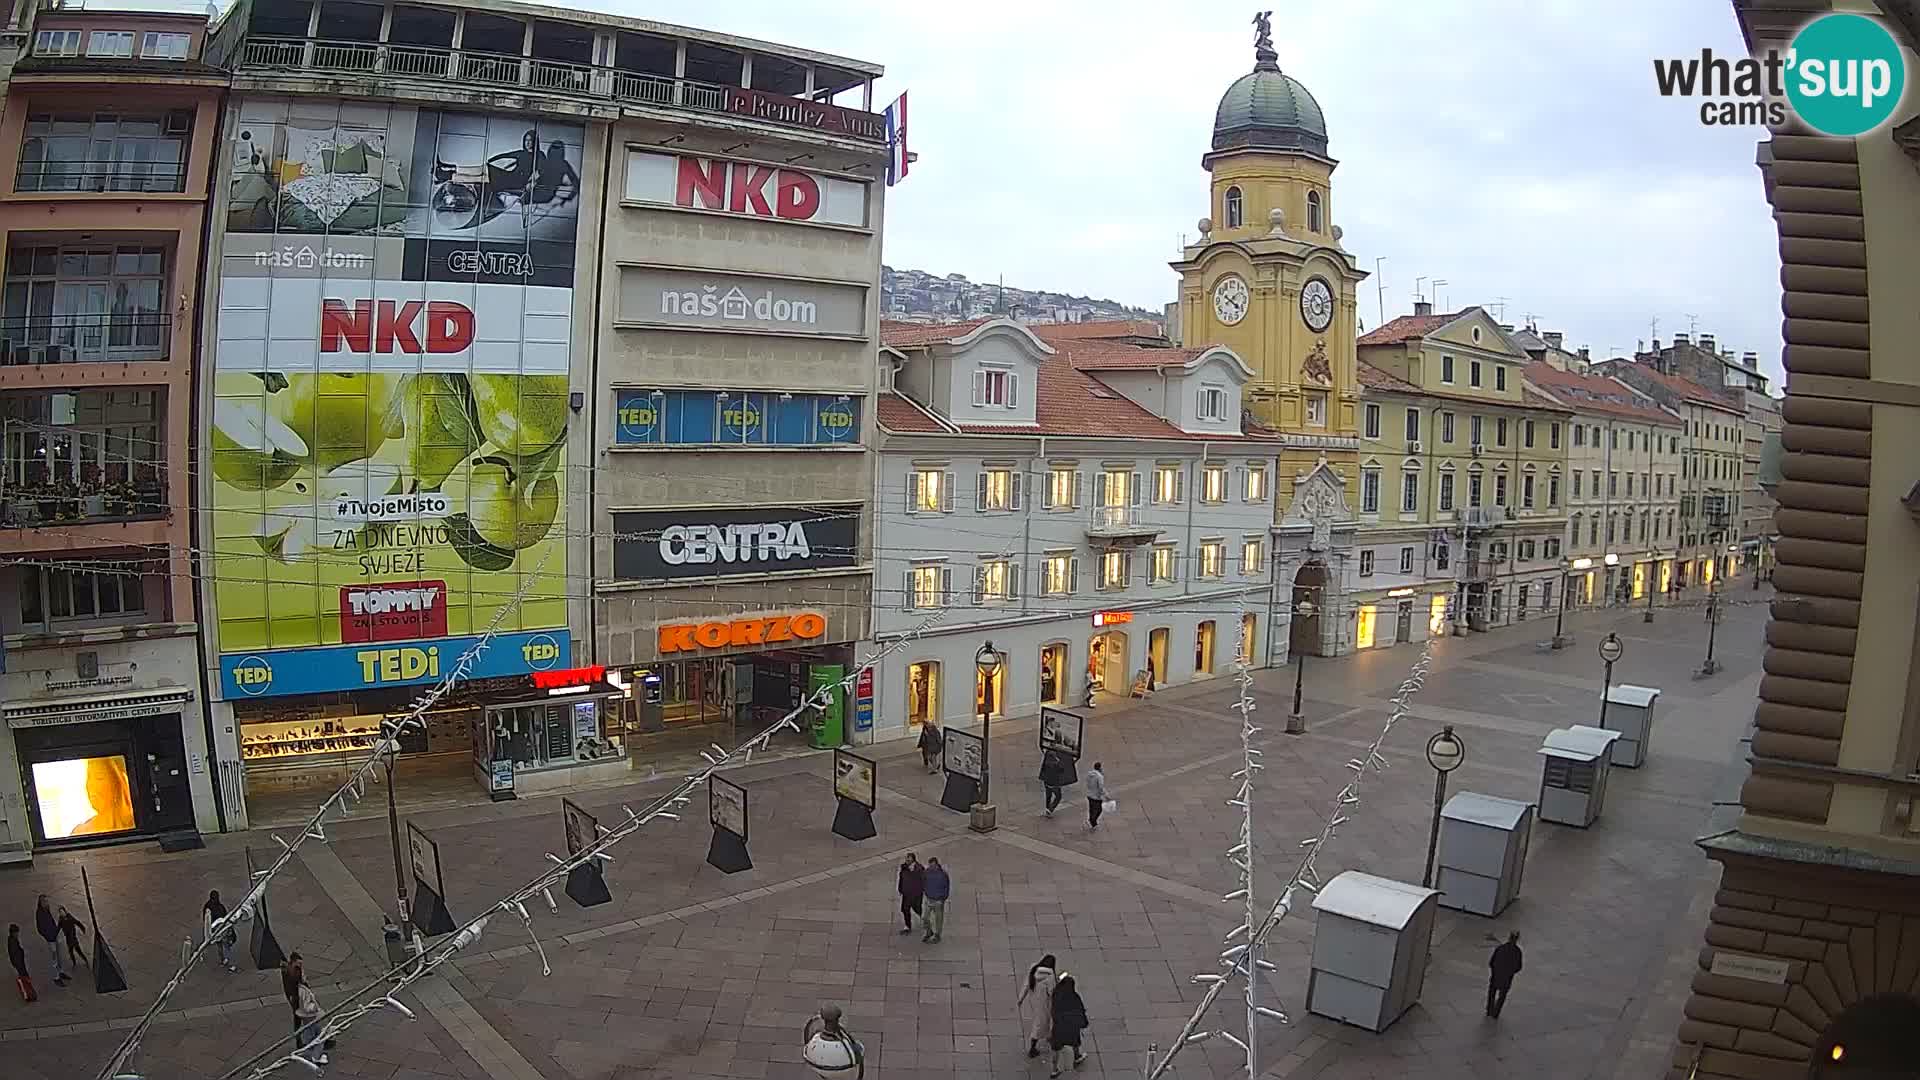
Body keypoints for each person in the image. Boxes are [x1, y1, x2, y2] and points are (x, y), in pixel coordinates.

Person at [284, 952, 327, 1066]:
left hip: (297, 1002)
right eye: (299, 963)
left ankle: (305, 1042)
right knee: (309, 1025)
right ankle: (311, 1048)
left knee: (304, 1024)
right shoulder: (295, 975)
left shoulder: (288, 970)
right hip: (301, 1005)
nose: (301, 965)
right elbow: (300, 984)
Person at [1048, 973, 1089, 1076]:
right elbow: (1080, 1011)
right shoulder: (1074, 997)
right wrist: (1083, 1023)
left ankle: (1054, 1069)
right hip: (1071, 1027)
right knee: (1075, 1042)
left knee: (1056, 1049)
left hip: (1059, 1027)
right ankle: (1077, 1057)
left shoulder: (1056, 994)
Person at [1018, 954, 1057, 1059]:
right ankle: (1032, 1048)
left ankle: (1048, 1036)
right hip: (1044, 1003)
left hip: (1034, 1000)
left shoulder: (1034, 968)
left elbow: (1026, 984)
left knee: (1041, 1021)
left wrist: (1020, 999)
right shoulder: (1050, 977)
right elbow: (1051, 992)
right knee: (1040, 1024)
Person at [1487, 931, 1524, 1019]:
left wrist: (1495, 970)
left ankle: (1489, 1010)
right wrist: (1510, 972)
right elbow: (1518, 967)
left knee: (1492, 993)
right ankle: (1496, 1013)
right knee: (1502, 996)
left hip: (1496, 976)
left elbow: (1491, 963)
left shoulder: (1501, 948)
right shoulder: (1518, 952)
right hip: (1507, 978)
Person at [204, 890, 239, 973]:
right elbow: (225, 918)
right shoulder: (220, 907)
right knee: (227, 947)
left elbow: (206, 919)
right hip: (222, 930)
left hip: (214, 930)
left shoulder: (207, 906)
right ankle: (230, 964)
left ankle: (223, 960)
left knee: (220, 946)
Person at [34, 895, 66, 986]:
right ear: (40, 903)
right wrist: (46, 936)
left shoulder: (47, 910)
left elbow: (51, 921)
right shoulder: (39, 913)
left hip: (54, 934)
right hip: (50, 938)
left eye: (46, 901)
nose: (46, 903)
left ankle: (61, 972)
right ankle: (56, 977)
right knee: (54, 958)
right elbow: (40, 928)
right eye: (44, 901)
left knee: (59, 955)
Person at [921, 857, 950, 944]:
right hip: (929, 898)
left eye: (932, 866)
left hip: (938, 900)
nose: (931, 868)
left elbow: (946, 887)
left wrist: (943, 898)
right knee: (924, 917)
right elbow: (923, 882)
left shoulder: (943, 874)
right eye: (930, 866)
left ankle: (937, 935)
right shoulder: (926, 872)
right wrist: (926, 891)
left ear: (936, 865)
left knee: (938, 919)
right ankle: (929, 931)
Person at [896, 853, 925, 935]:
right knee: (905, 910)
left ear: (913, 860)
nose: (907, 861)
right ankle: (907, 926)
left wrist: (920, 891)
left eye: (909, 859)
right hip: (906, 894)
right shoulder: (904, 868)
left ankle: (926, 920)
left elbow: (923, 881)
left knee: (917, 909)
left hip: (916, 895)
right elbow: (901, 879)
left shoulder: (919, 869)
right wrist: (900, 889)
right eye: (906, 859)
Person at [1039, 749, 1070, 817]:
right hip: (1054, 784)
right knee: (1058, 797)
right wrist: (1058, 761)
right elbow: (1062, 770)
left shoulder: (1046, 763)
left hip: (1047, 782)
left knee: (1048, 796)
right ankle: (1050, 809)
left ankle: (1047, 809)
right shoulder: (1056, 764)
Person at [56, 906, 86, 973]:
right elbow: (58, 929)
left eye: (62, 911)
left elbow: (77, 922)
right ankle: (74, 963)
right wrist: (54, 935)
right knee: (71, 951)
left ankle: (85, 960)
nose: (61, 913)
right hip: (68, 939)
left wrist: (83, 928)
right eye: (60, 912)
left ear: (65, 911)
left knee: (79, 951)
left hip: (73, 937)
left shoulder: (70, 917)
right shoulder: (60, 920)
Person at [7, 924, 32, 1002]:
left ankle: (28, 994)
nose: (18, 934)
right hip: (19, 963)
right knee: (23, 979)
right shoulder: (13, 942)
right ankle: (27, 995)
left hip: (18, 963)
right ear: (13, 933)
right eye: (17, 932)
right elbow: (15, 954)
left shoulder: (12, 940)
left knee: (23, 978)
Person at [1085, 762, 1109, 830]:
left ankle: (1091, 821)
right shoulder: (1099, 776)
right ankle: (1093, 821)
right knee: (1099, 810)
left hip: (1089, 794)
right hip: (1096, 796)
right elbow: (1101, 787)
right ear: (1100, 768)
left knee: (1091, 809)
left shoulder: (1089, 774)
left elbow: (1087, 783)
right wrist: (1106, 795)